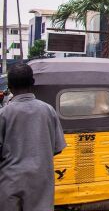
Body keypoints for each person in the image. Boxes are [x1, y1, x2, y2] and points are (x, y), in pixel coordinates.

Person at [0, 63, 67, 210]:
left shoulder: (4, 114)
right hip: (41, 183)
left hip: (9, 184)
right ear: (32, 83)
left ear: (9, 86)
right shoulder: (48, 110)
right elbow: (58, 148)